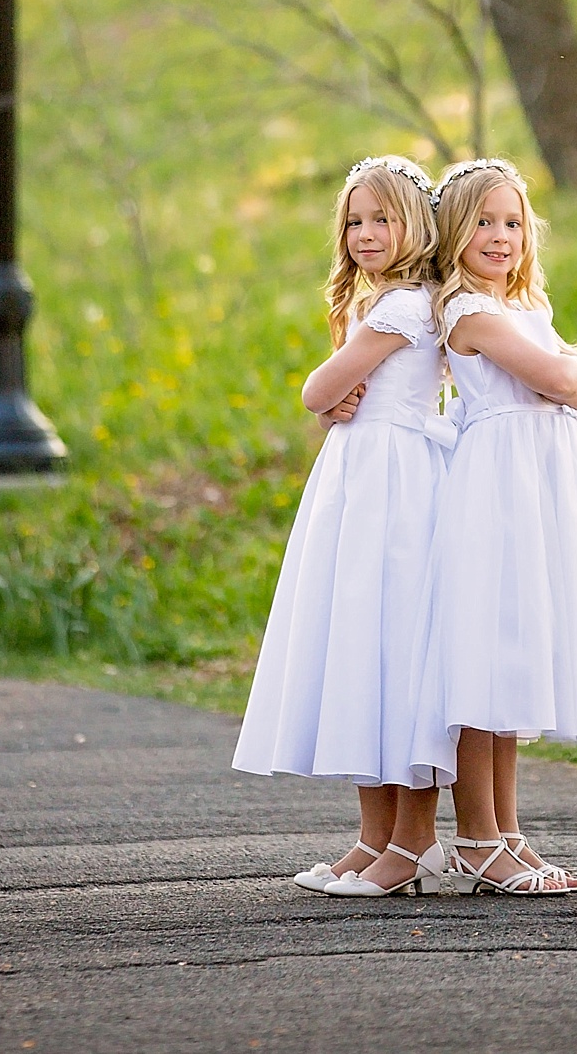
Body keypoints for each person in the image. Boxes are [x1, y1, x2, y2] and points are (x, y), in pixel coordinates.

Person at [409, 157, 577, 895]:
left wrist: (574, 376)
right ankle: (477, 836)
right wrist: (571, 373)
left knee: (511, 660)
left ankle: (508, 834)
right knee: (485, 659)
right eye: (483, 221)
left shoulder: (526, 309)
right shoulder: (469, 314)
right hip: (498, 486)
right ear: (454, 232)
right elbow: (566, 381)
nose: (501, 235)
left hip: (541, 480)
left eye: (513, 222)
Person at [232, 154, 451, 897]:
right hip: (359, 479)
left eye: (381, 217)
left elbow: (318, 386)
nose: (364, 232)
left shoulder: (407, 306)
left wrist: (326, 395)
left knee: (397, 650)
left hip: (396, 484)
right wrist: (336, 400)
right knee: (360, 649)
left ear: (415, 224)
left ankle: (416, 842)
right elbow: (338, 393)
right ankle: (374, 835)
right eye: (354, 220)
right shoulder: (377, 304)